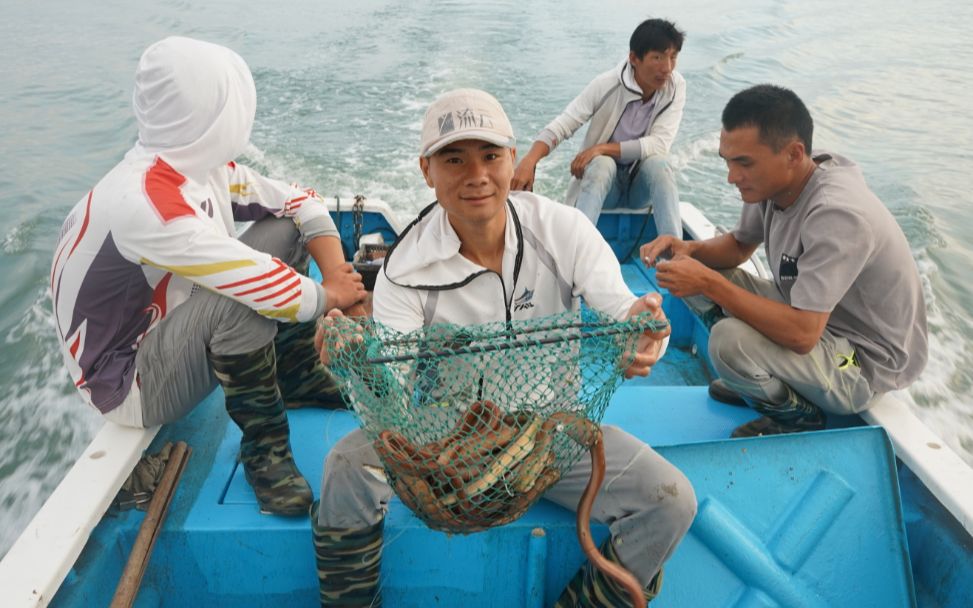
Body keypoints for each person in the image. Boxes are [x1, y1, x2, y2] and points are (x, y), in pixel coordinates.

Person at [312, 88, 696, 607]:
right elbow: (394, 389)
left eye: (491, 156)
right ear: (427, 170)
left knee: (670, 500)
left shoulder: (563, 229)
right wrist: (359, 357)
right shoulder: (404, 270)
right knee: (345, 467)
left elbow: (624, 309)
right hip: (448, 438)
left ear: (513, 160)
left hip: (554, 435)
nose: (476, 175)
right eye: (454, 159)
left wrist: (647, 330)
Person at [50, 37, 366, 516]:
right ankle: (265, 452)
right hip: (127, 382)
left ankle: (297, 377)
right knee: (243, 297)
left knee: (285, 229)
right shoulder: (147, 204)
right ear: (211, 114)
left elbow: (301, 202)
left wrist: (337, 277)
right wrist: (331, 297)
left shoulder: (195, 169)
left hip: (166, 332)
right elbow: (260, 286)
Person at [640, 84, 928, 438]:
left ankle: (796, 413)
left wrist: (708, 282)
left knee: (727, 339)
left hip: (859, 362)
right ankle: (754, 376)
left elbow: (803, 334)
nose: (732, 177)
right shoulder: (776, 181)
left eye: (743, 163)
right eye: (727, 161)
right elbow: (738, 246)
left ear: (794, 154)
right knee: (687, 276)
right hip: (816, 318)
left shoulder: (837, 215)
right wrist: (688, 251)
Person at [511, 18, 685, 235]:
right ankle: (577, 252)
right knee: (603, 164)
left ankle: (674, 258)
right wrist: (529, 161)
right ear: (634, 58)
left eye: (673, 57)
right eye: (657, 57)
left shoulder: (675, 87)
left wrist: (600, 148)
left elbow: (659, 144)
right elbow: (564, 124)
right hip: (604, 186)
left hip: (639, 188)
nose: (667, 68)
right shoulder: (607, 84)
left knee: (660, 164)